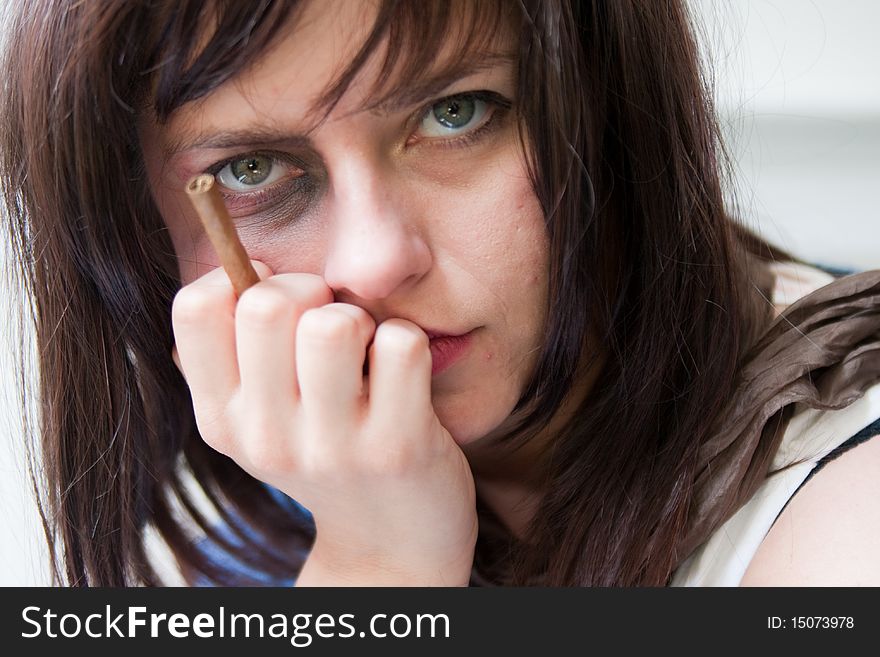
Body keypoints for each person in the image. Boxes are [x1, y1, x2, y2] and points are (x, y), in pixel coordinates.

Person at [1, 0, 878, 588]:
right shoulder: (253, 520)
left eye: (456, 112)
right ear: (133, 240)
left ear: (610, 108)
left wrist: (380, 566)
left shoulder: (845, 525)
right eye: (251, 169)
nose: (379, 259)